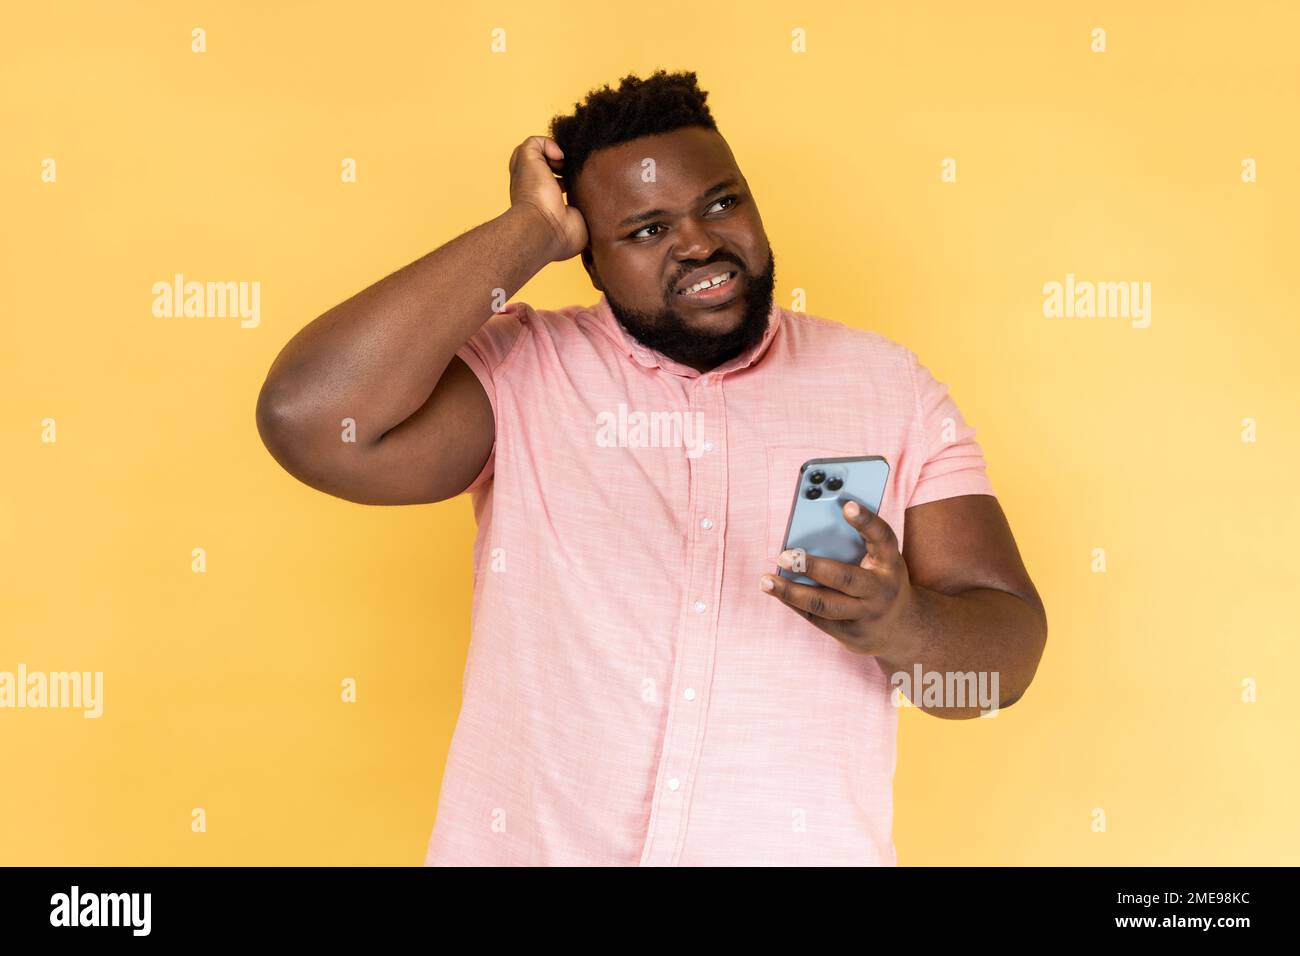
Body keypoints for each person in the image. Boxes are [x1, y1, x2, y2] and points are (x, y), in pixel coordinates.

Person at [255, 70, 1048, 866]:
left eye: (721, 203)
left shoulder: (889, 388)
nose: (699, 243)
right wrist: (527, 228)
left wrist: (901, 625)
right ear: (589, 258)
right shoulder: (523, 369)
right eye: (645, 230)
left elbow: (1004, 666)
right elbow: (311, 420)